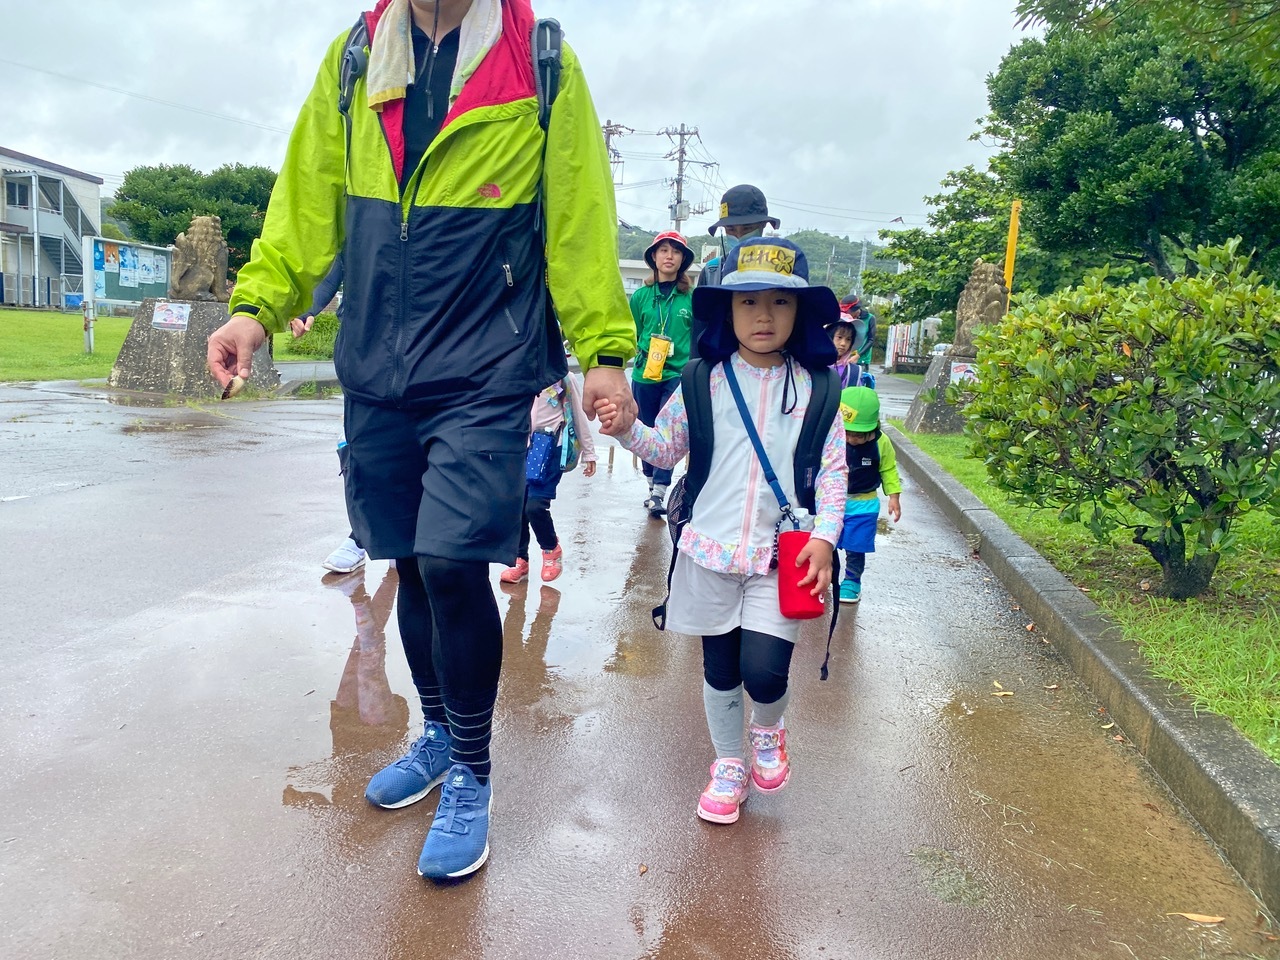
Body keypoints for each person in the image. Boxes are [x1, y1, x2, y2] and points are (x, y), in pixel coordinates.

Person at [206, 0, 636, 882]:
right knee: (400, 551)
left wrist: (604, 351)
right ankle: (439, 733)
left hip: (486, 366)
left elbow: (579, 219)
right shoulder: (359, 55)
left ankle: (473, 772)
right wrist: (255, 307)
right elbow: (305, 203)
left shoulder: (540, 61)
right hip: (376, 367)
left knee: (450, 561)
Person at [596, 237, 847, 825]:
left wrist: (826, 537)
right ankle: (729, 764)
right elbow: (665, 446)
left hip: (780, 557)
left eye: (780, 303)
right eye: (748, 302)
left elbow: (833, 474)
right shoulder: (701, 381)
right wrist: (627, 429)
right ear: (726, 311)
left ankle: (769, 728)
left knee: (763, 671)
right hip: (708, 550)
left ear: (800, 313)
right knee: (719, 668)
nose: (763, 316)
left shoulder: (818, 390)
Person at [289, 260, 369, 575]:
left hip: (432, 339)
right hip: (363, 344)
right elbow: (330, 265)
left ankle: (401, 530)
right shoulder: (355, 216)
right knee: (356, 445)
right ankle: (360, 536)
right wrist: (305, 307)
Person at [499, 374, 597, 584]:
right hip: (520, 446)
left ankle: (551, 549)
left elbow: (578, 415)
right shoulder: (518, 370)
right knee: (517, 507)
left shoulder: (563, 378)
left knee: (535, 506)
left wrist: (589, 452)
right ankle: (519, 559)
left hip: (549, 447)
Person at [629, 231, 694, 517]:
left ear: (683, 260)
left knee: (668, 433)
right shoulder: (642, 296)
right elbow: (633, 333)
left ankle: (660, 491)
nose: (669, 256)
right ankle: (649, 484)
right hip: (645, 373)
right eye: (663, 250)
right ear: (653, 257)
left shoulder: (691, 298)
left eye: (676, 252)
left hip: (677, 375)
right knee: (644, 428)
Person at [691, 184, 780, 358]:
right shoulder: (712, 271)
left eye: (747, 228)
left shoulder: (780, 271)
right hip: (719, 367)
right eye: (731, 229)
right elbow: (699, 331)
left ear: (763, 225)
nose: (738, 235)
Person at [836, 386, 902, 604]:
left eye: (860, 435)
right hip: (833, 501)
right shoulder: (833, 439)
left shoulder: (882, 443)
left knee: (856, 546)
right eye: (848, 433)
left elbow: (889, 469)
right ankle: (826, 574)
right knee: (827, 542)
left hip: (864, 504)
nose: (853, 440)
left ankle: (852, 581)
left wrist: (893, 496)